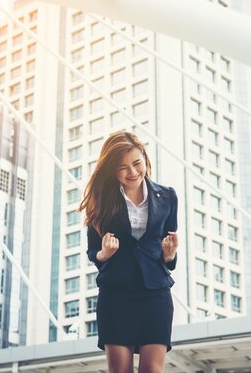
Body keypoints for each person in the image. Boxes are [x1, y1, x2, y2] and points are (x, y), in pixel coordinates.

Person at [78, 131, 179, 373]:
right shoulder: (100, 200)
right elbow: (93, 252)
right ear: (112, 170)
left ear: (144, 158)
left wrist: (170, 254)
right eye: (123, 167)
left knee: (152, 370)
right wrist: (104, 254)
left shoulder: (167, 196)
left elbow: (168, 249)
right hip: (116, 294)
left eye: (136, 163)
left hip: (155, 293)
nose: (132, 172)